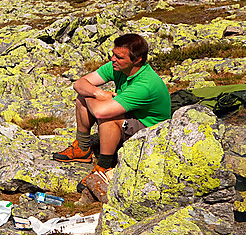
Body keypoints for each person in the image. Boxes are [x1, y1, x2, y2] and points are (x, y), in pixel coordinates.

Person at [52, 34, 171, 198]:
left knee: (107, 118)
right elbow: (79, 84)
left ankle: (103, 167)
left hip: (150, 131)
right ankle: (83, 147)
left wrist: (90, 97)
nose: (113, 59)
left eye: (119, 57)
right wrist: (97, 93)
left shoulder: (145, 84)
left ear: (137, 60)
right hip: (132, 115)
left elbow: (101, 112)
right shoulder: (119, 67)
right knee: (84, 97)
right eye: (113, 54)